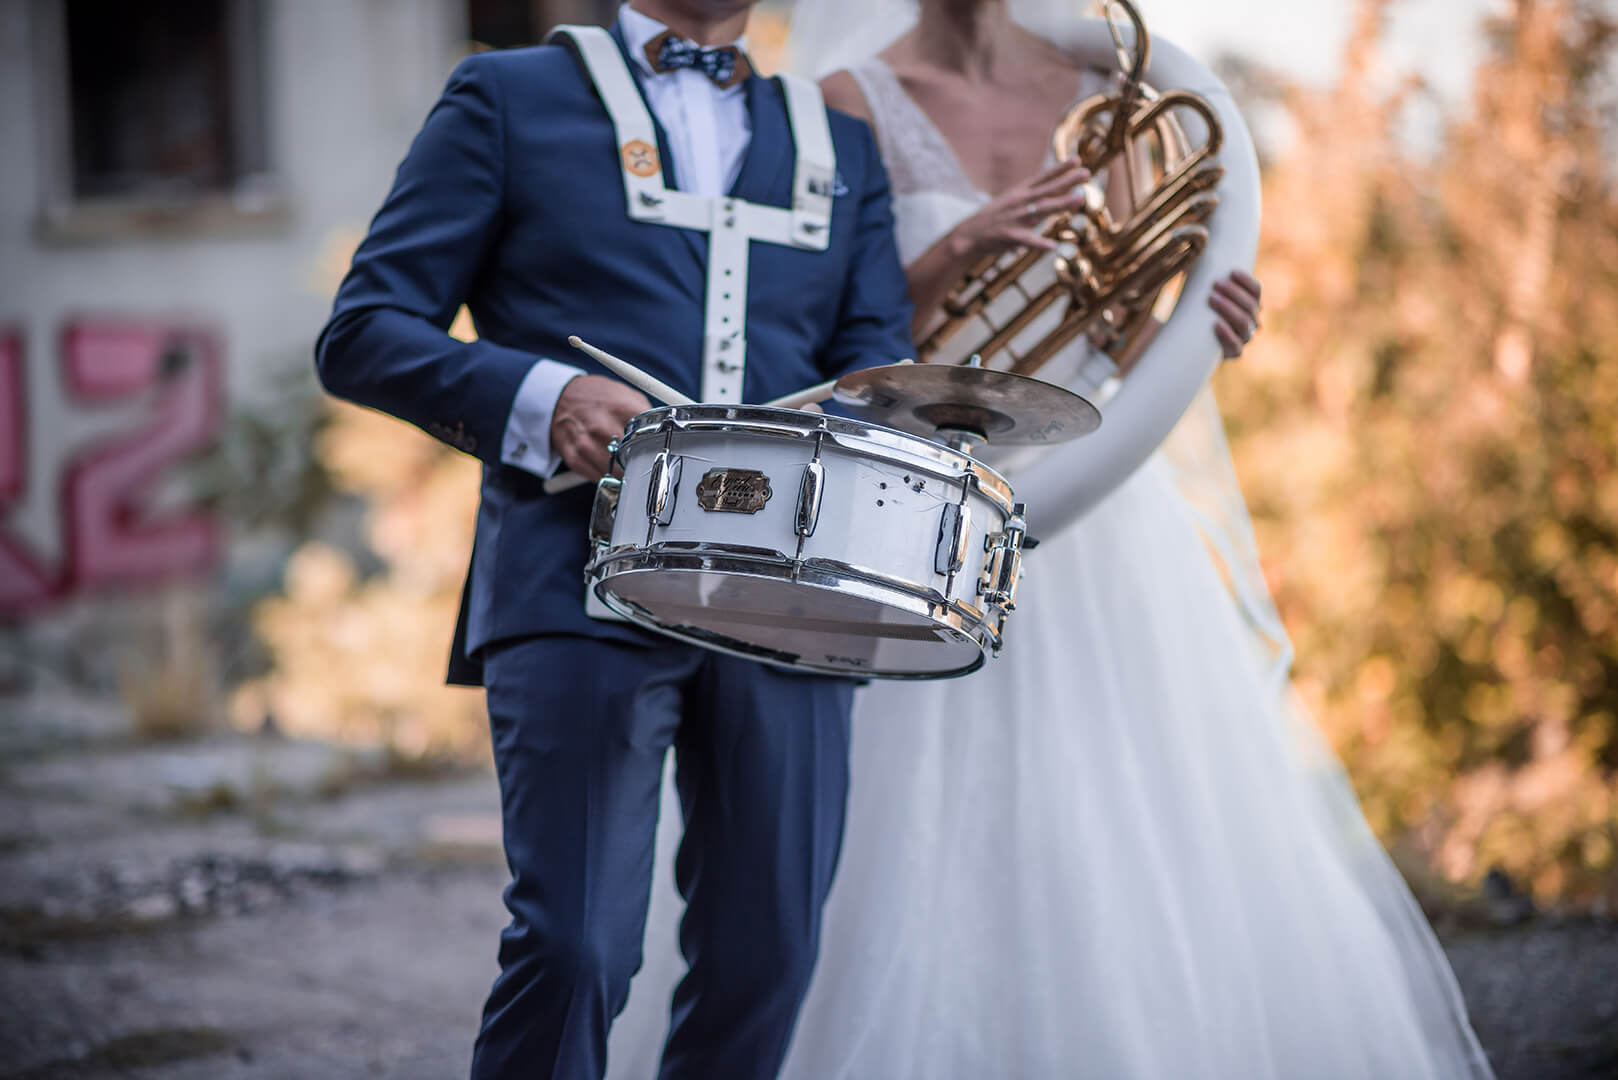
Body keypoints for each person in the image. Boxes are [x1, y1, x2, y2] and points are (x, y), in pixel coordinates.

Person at [606, 2, 1498, 1077]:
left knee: (1126, 834)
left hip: (1099, 524)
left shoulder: (1112, 102)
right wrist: (958, 249)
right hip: (909, 523)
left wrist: (1200, 327)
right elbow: (816, 338)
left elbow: (1115, 334)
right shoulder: (845, 102)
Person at [314, 0, 914, 1075]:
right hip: (571, 575)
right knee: (575, 947)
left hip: (792, 609)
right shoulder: (504, 99)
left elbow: (876, 365)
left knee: (768, 956)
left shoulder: (844, 147)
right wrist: (543, 397)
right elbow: (362, 333)